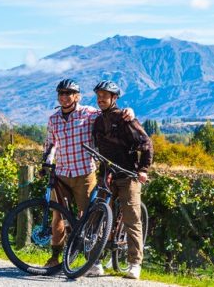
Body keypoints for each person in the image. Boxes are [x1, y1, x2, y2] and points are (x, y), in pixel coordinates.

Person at [41, 78, 135, 274]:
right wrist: (46, 161)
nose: (64, 97)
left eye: (69, 93)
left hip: (85, 173)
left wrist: (130, 112)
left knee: (89, 217)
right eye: (61, 93)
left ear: (77, 96)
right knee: (57, 216)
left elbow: (112, 115)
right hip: (62, 174)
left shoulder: (89, 114)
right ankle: (55, 257)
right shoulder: (53, 119)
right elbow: (50, 144)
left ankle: (93, 260)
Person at [91, 80, 152, 280]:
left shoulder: (125, 119)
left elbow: (146, 143)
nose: (101, 99)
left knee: (132, 218)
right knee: (97, 216)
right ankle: (96, 260)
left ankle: (135, 264)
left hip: (128, 175)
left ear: (114, 98)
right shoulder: (98, 121)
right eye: (99, 96)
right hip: (106, 175)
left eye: (105, 96)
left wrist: (143, 169)